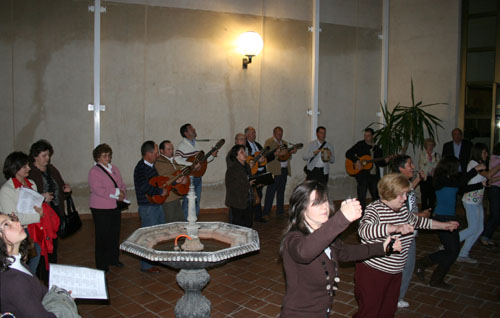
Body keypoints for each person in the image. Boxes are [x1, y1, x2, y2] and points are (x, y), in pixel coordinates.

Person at [280, 180, 401, 318]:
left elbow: (346, 252)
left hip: (322, 312)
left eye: (325, 201)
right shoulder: (293, 239)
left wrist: (382, 248)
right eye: (316, 202)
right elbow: (304, 252)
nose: (324, 207)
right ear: (301, 209)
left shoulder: (325, 234)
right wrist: (341, 218)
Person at [354, 173, 459, 318]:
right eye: (401, 195)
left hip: (395, 271)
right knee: (370, 312)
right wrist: (394, 227)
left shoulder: (402, 209)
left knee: (388, 310)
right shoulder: (374, 209)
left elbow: (419, 222)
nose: (405, 198)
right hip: (374, 272)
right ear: (389, 193)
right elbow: (363, 231)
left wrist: (444, 226)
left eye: (406, 194)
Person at [415, 156, 485, 289]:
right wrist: (475, 170)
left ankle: (422, 264)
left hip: (449, 218)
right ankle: (434, 278)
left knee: (451, 250)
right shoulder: (440, 180)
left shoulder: (450, 179)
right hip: (441, 218)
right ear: (451, 167)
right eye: (457, 166)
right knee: (453, 251)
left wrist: (480, 185)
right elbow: (459, 183)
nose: (459, 168)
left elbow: (461, 188)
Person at [0, 213, 79, 317]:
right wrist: (63, 303)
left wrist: (61, 296)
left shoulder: (15, 262)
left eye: (12, 219)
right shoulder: (14, 281)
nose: (17, 223)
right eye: (6, 224)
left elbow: (39, 292)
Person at [0, 151, 50, 276]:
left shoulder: (31, 184)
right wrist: (38, 215)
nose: (29, 168)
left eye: (28, 165)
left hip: (34, 229)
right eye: (25, 166)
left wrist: (39, 211)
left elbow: (36, 206)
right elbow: (12, 219)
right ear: (15, 169)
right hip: (19, 232)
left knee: (35, 261)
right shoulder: (7, 190)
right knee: (24, 267)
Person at [391, 156, 431, 309]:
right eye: (409, 164)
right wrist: (421, 216)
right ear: (401, 168)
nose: (413, 166)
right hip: (405, 231)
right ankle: (397, 297)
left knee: (401, 265)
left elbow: (408, 192)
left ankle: (393, 296)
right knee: (406, 266)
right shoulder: (399, 186)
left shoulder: (402, 183)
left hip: (406, 229)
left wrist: (418, 180)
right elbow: (399, 212)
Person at [28, 139, 71, 282]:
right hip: (40, 217)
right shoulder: (30, 172)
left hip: (54, 213)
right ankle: (41, 277)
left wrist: (66, 189)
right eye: (44, 155)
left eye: (48, 155)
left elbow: (60, 184)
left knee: (53, 246)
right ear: (35, 156)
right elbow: (27, 196)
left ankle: (51, 275)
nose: (47, 158)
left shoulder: (51, 169)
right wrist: (41, 197)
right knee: (41, 248)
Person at [457, 143, 500, 263]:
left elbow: (489, 178)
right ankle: (450, 244)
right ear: (478, 152)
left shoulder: (481, 165)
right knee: (473, 228)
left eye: (487, 152)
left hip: (477, 201)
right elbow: (489, 174)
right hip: (470, 200)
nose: (487, 154)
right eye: (484, 152)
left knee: (479, 228)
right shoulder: (474, 164)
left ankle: (463, 253)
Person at [88, 143, 127, 272]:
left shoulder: (114, 168)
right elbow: (98, 189)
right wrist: (116, 192)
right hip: (100, 207)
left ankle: (113, 259)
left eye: (109, 155)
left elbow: (121, 184)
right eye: (104, 155)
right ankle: (102, 263)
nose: (107, 158)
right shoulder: (94, 171)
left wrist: (122, 193)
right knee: (102, 236)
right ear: (97, 158)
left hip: (114, 206)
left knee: (114, 234)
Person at [133, 141, 168, 273]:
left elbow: (157, 182)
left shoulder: (152, 166)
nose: (158, 155)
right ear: (148, 154)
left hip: (155, 205)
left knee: (158, 235)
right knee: (148, 236)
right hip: (148, 208)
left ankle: (155, 260)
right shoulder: (141, 168)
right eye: (156, 152)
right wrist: (159, 192)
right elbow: (143, 186)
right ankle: (146, 265)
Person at [175, 123, 218, 219]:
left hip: (198, 177)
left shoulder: (196, 145)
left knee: (196, 201)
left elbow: (202, 162)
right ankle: (186, 223)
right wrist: (192, 165)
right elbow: (177, 160)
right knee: (188, 201)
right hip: (189, 178)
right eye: (191, 128)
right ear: (186, 133)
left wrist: (212, 155)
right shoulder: (182, 145)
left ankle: (194, 221)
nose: (194, 129)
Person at [345, 128, 389, 211]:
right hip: (362, 176)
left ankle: (377, 214)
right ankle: (361, 216)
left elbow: (380, 163)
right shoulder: (360, 145)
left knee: (376, 196)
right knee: (362, 196)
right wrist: (356, 161)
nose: (366, 137)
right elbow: (348, 153)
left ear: (373, 136)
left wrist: (386, 162)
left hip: (374, 176)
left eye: (368, 136)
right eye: (365, 135)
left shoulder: (377, 149)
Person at [263, 126, 297, 217]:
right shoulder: (269, 142)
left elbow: (287, 157)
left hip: (284, 170)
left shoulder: (285, 143)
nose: (280, 135)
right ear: (274, 133)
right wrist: (276, 154)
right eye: (278, 134)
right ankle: (266, 211)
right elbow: (266, 156)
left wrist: (290, 152)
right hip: (274, 171)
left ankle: (280, 211)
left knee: (281, 191)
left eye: (281, 133)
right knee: (271, 192)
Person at [155, 140, 187, 223]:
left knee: (180, 220)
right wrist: (178, 178)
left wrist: (184, 177)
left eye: (172, 148)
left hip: (175, 195)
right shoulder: (159, 162)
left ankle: (180, 236)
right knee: (170, 221)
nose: (171, 151)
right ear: (161, 151)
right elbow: (164, 176)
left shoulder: (172, 160)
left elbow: (180, 170)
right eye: (168, 149)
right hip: (168, 197)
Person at [225, 145, 254, 228]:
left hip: (248, 199)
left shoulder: (247, 166)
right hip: (238, 201)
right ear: (236, 155)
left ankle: (247, 240)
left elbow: (249, 179)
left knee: (248, 224)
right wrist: (249, 184)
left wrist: (257, 182)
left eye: (244, 151)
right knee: (238, 225)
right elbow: (233, 187)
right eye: (242, 152)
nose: (245, 153)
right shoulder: (233, 169)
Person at [245, 126, 269, 223]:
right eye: (252, 133)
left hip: (260, 172)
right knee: (252, 195)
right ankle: (250, 216)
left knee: (259, 194)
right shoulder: (245, 146)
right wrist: (258, 162)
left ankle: (258, 216)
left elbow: (265, 158)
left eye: (254, 133)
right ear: (247, 135)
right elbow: (248, 161)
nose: (254, 134)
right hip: (252, 173)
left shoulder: (258, 145)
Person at [481, 143, 500, 246]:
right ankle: (485, 235)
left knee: (497, 215)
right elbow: (489, 176)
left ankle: (488, 235)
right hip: (495, 188)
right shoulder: (495, 158)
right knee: (495, 214)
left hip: (496, 186)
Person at [418, 138, 440, 210]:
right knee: (424, 195)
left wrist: (427, 165)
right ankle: (424, 210)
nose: (430, 146)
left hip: (433, 178)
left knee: (432, 196)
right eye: (429, 145)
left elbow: (437, 166)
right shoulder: (422, 155)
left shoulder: (437, 155)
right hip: (424, 178)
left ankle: (431, 211)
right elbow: (421, 166)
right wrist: (431, 166)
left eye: (431, 145)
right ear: (426, 146)